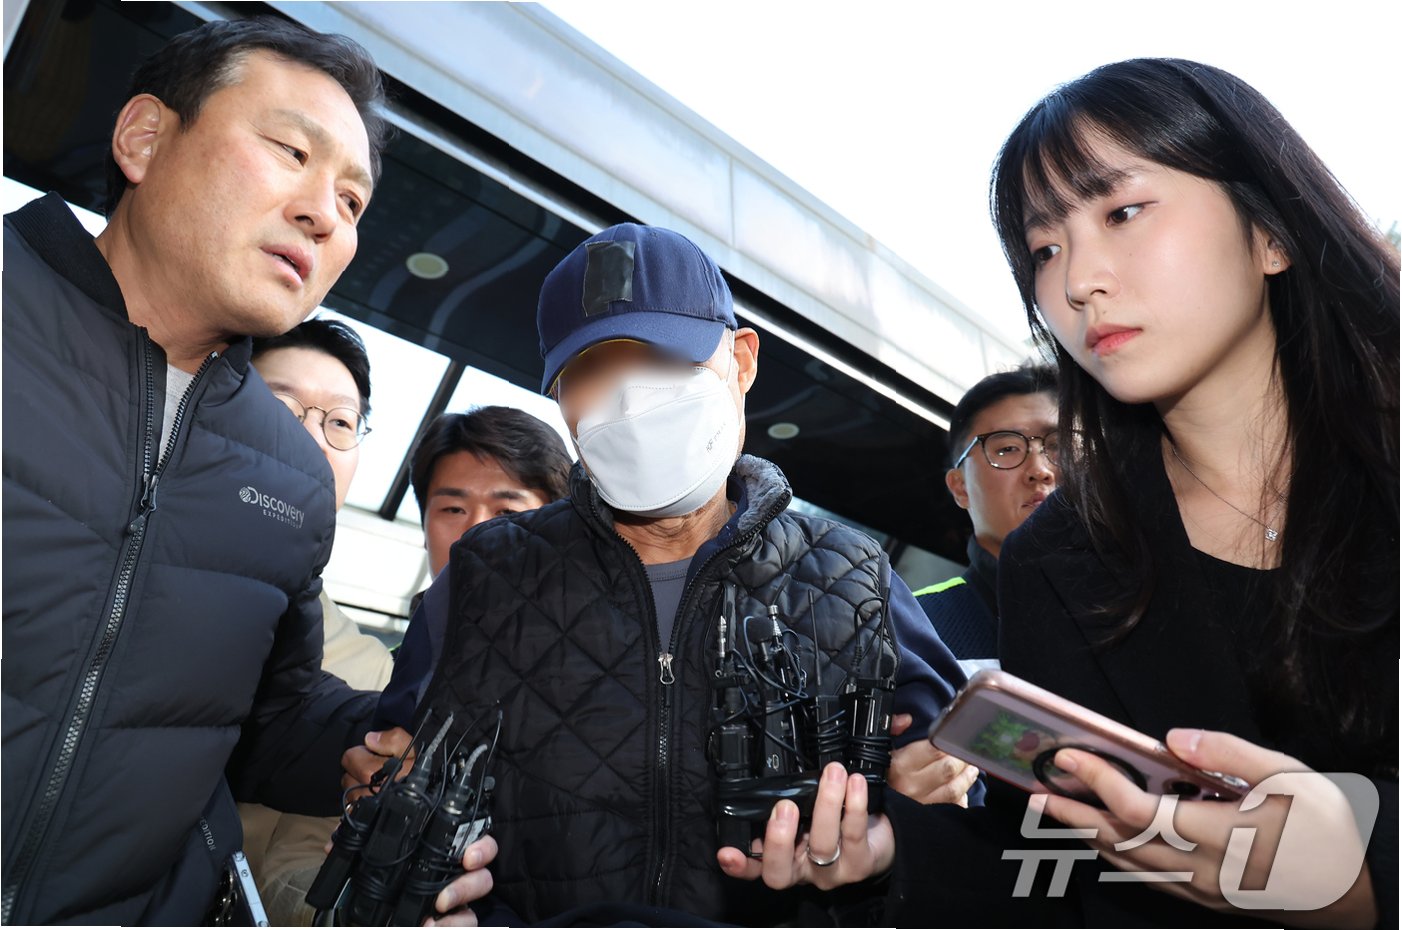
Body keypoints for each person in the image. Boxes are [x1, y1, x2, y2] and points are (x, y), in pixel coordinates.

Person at [738, 58, 1400, 930]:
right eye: (1044, 249)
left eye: (1122, 212)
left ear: (1270, 231)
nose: (1078, 280)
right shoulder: (1059, 562)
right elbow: (1057, 866)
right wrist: (891, 856)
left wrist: (1370, 872)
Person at [349, 223, 979, 925]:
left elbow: (959, 803)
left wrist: (910, 818)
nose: (630, 399)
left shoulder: (854, 576)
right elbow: (387, 772)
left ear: (741, 361)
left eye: (663, 357)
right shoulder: (485, 575)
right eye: (590, 371)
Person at [1, 18, 390, 924]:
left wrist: (392, 732)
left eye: (353, 201)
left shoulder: (292, 477)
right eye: (292, 151)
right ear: (144, 139)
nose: (324, 213)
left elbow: (261, 729)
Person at [236, 317, 399, 926]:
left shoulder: (373, 674)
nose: (310, 439)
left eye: (340, 422)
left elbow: (300, 860)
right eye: (279, 407)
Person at [373, 406, 574, 729]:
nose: (476, 533)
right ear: (424, 527)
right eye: (454, 509)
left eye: (507, 513)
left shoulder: (596, 671)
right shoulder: (381, 674)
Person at [914, 363, 1058, 674]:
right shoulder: (912, 627)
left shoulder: (1145, 607)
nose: (1040, 470)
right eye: (1007, 448)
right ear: (960, 487)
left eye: (1058, 446)